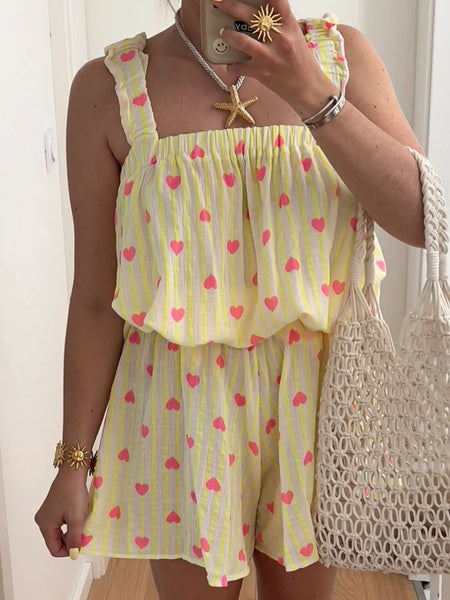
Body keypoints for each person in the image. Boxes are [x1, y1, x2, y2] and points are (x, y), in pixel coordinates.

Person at [35, 0, 426, 598]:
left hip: (317, 403)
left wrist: (312, 92)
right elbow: (94, 296)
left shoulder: (342, 57)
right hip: (179, 410)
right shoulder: (109, 89)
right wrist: (72, 462)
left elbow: (421, 220)